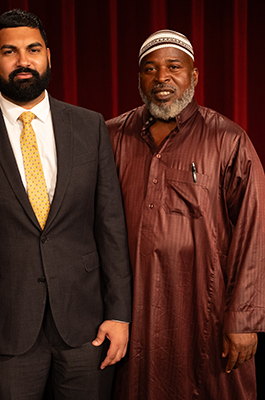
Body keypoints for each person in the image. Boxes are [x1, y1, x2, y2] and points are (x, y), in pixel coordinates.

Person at [0, 9, 132, 400]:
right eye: (9, 51)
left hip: (85, 326)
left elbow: (110, 224)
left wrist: (119, 313)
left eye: (33, 49)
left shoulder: (89, 126)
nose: (23, 60)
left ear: (48, 56)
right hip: (1, 327)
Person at [107, 29, 265, 399]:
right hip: (130, 310)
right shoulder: (111, 136)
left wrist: (244, 318)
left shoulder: (228, 139)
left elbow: (253, 230)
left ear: (193, 75)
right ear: (139, 78)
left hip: (204, 309)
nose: (161, 78)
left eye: (173, 67)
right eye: (150, 69)